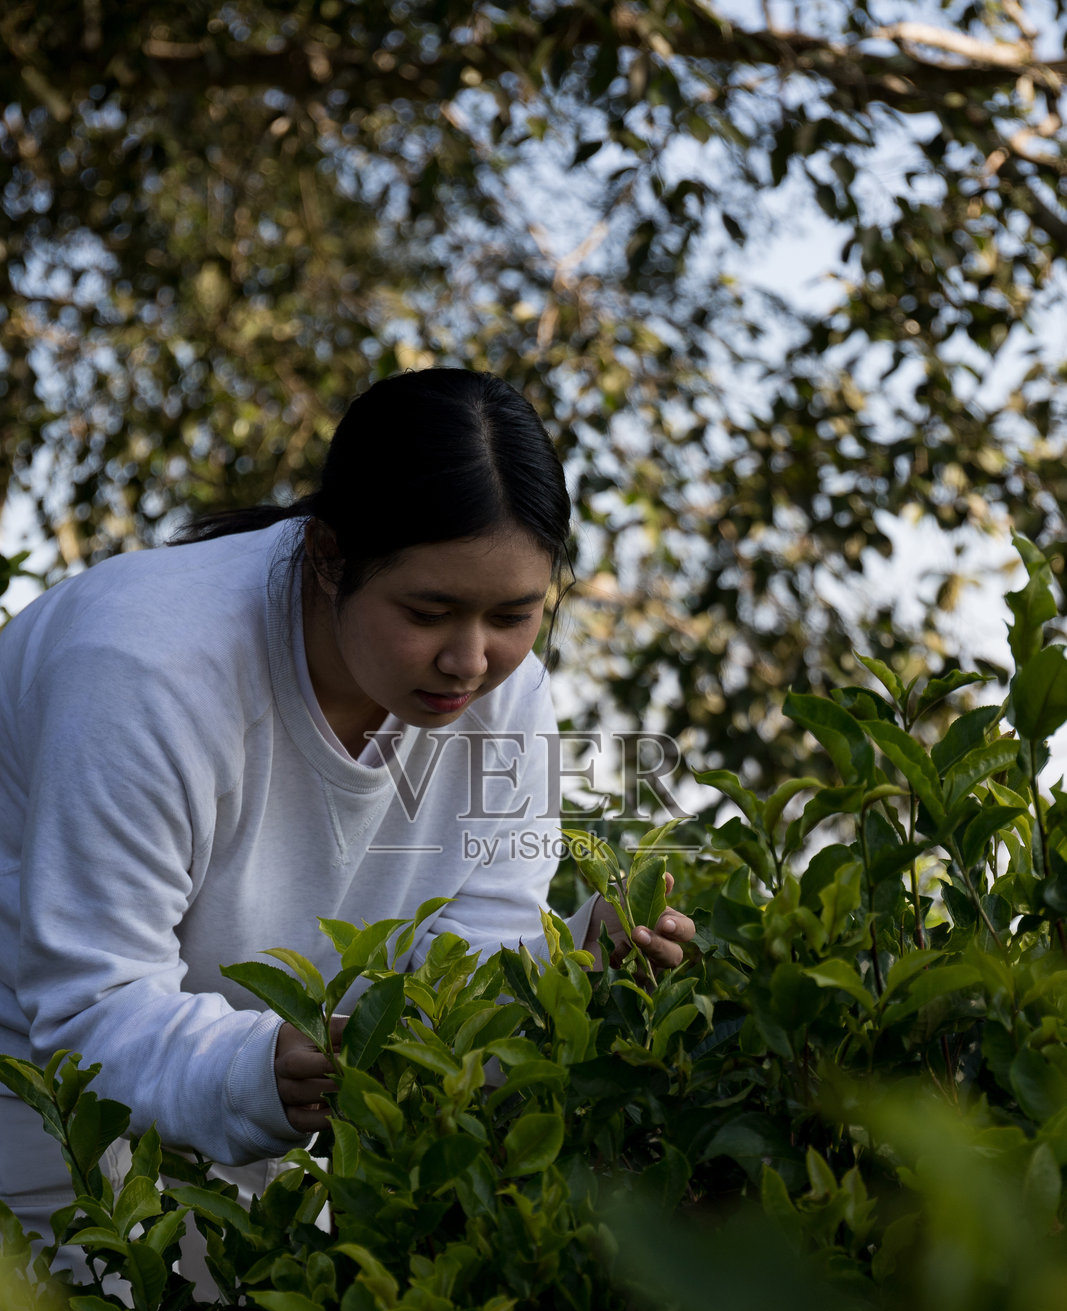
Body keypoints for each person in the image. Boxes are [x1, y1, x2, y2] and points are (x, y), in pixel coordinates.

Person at [0, 367, 694, 1244]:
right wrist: (256, 1069)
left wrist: (569, 969)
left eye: (514, 615)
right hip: (37, 1115)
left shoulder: (504, 700)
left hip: (266, 1124)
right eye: (429, 610)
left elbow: (465, 962)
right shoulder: (146, 669)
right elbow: (89, 1002)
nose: (470, 662)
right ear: (328, 556)